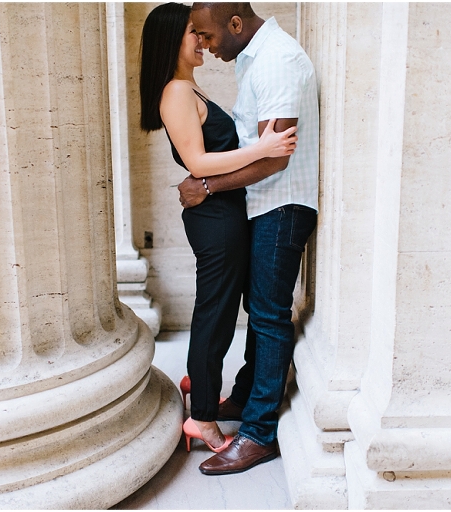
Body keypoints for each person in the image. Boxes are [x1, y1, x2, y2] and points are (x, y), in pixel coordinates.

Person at [139, 3, 298, 454]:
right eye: (195, 34)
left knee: (223, 312)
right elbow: (198, 163)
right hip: (215, 219)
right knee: (215, 315)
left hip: (223, 213)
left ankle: (200, 387)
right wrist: (264, 148)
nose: (203, 42)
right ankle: (203, 418)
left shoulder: (190, 89)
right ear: (173, 41)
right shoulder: (175, 92)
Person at [178, 2, 319, 475]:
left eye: (209, 35)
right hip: (263, 203)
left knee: (269, 315)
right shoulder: (255, 59)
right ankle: (242, 399)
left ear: (235, 24)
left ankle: (260, 432)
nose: (207, 45)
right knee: (259, 312)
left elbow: (275, 157)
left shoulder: (277, 60)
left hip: (282, 204)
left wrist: (207, 185)